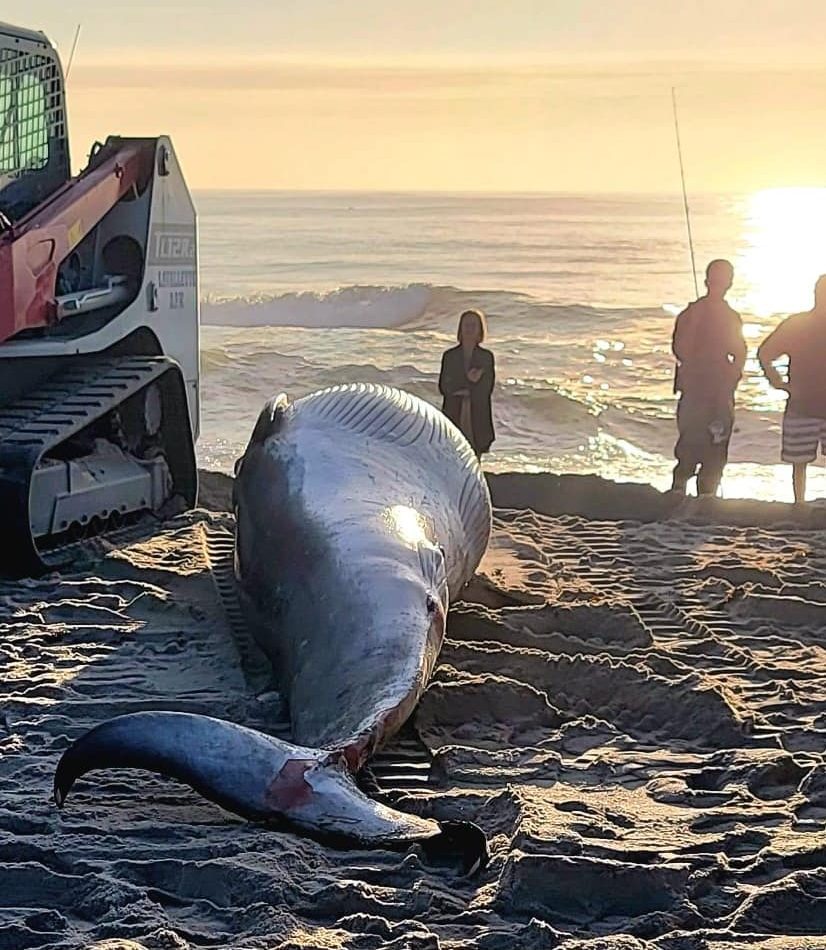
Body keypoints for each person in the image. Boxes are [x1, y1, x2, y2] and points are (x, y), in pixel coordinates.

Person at [670, 259, 747, 496]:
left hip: (710, 389)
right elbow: (680, 350)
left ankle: (695, 496)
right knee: (701, 448)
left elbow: (740, 352)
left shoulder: (719, 315)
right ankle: (692, 496)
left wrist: (732, 376)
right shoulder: (695, 314)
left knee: (703, 447)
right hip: (703, 389)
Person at [758, 275, 826, 504]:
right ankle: (799, 505)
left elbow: (765, 354)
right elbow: (765, 354)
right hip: (802, 403)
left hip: (801, 402)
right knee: (799, 464)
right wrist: (777, 382)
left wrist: (778, 382)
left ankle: (800, 505)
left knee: (799, 464)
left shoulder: (796, 323)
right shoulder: (796, 324)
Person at [438, 309, 495, 458]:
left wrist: (469, 386)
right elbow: (444, 386)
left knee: (475, 455)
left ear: (480, 330)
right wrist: (469, 382)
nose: (469, 329)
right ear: (460, 329)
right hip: (454, 410)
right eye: (466, 325)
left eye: (473, 325)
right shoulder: (450, 356)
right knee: (453, 452)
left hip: (477, 411)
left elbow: (487, 388)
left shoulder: (486, 357)